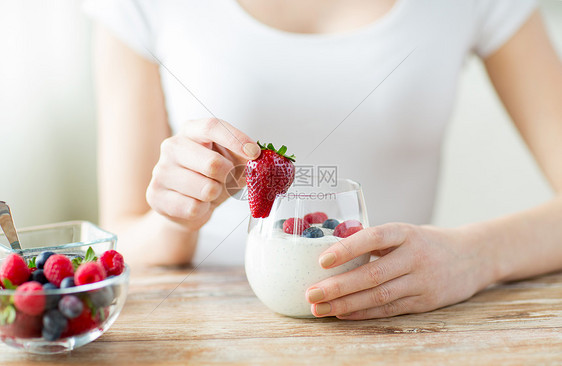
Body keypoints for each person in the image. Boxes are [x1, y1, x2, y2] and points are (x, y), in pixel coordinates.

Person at [84, 0, 562, 320]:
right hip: (213, 326)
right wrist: (180, 216)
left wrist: (474, 256)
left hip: (395, 322)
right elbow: (122, 241)